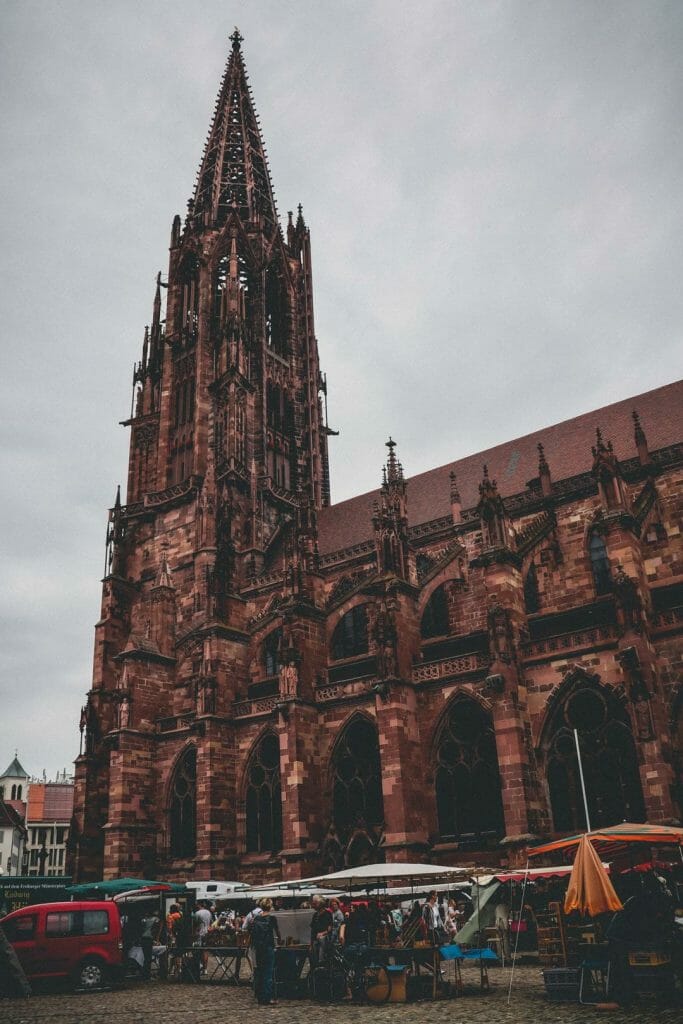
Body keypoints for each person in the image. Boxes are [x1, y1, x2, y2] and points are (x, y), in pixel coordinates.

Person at [251, 898, 280, 1005]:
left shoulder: (256, 918)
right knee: (268, 972)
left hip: (258, 948)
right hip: (268, 947)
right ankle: (267, 998)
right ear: (270, 906)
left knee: (259, 971)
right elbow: (277, 932)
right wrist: (280, 941)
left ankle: (259, 996)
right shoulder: (272, 918)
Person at [339, 904, 370, 1001]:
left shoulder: (345, 922)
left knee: (345, 967)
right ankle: (361, 989)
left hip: (352, 947)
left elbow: (341, 937)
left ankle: (349, 993)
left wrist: (342, 945)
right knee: (359, 968)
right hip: (363, 946)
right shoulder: (361, 919)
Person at [309, 896, 333, 966]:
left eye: (315, 903)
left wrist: (322, 933)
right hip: (315, 940)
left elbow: (330, 928)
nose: (313, 905)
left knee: (322, 939)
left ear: (320, 904)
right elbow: (312, 930)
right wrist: (310, 944)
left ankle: (321, 961)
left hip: (324, 939)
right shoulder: (315, 915)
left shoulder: (328, 914)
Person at [140, 909, 160, 980]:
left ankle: (145, 973)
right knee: (148, 957)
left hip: (143, 937)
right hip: (149, 938)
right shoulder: (156, 919)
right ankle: (146, 974)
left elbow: (141, 928)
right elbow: (155, 929)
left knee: (146, 957)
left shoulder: (144, 920)